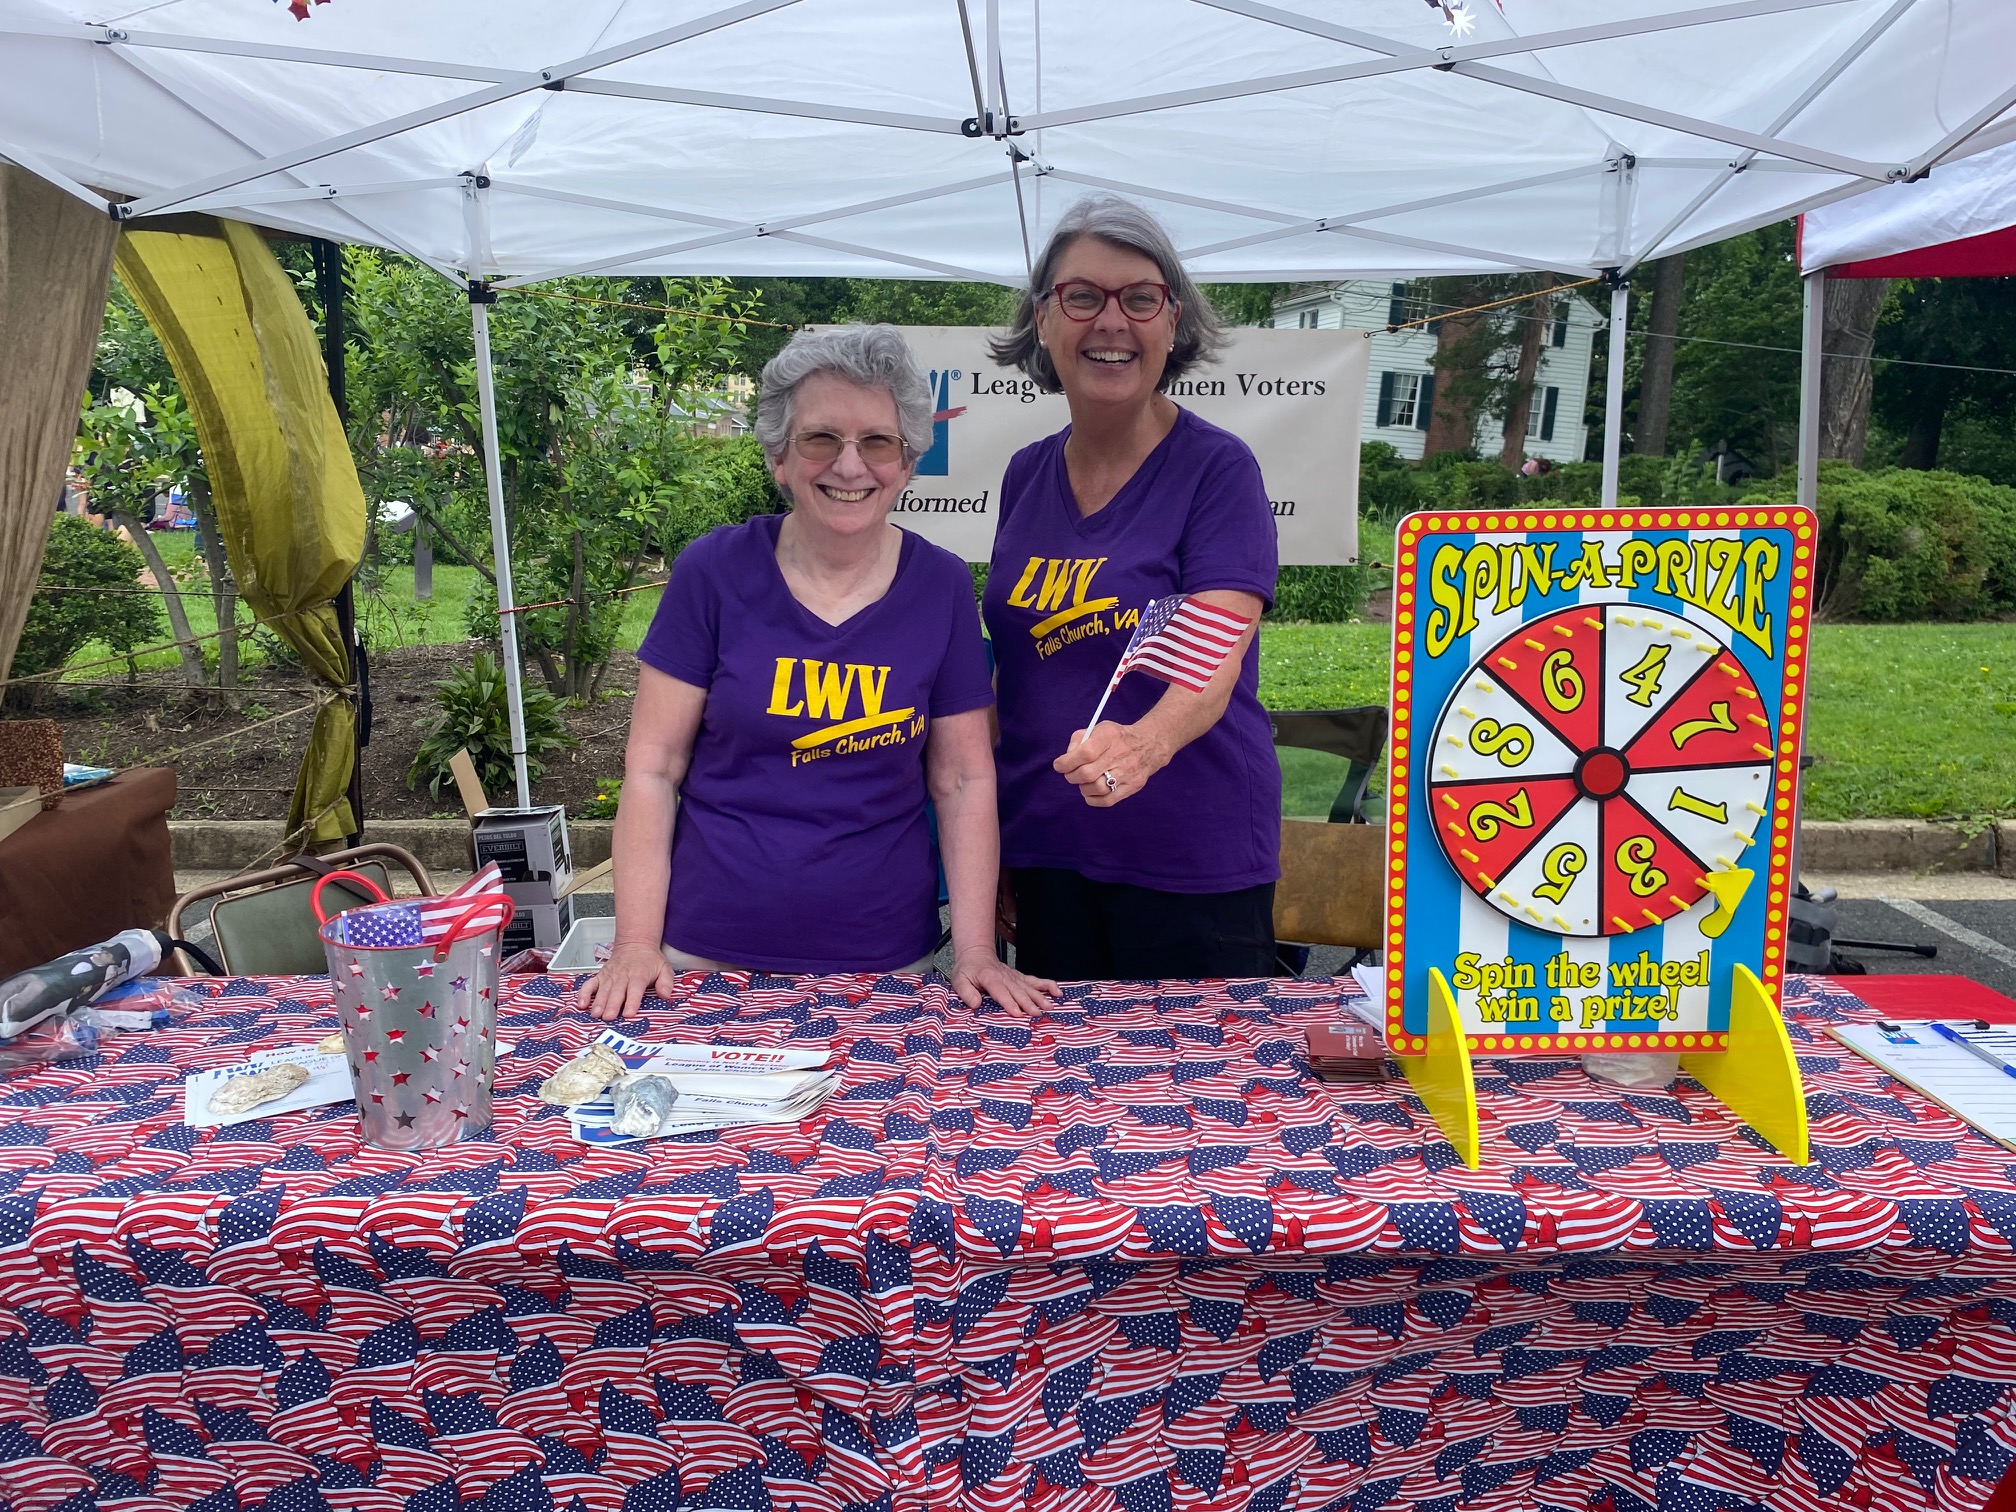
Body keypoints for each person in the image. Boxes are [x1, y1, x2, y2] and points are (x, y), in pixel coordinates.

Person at [578, 325, 1056, 1021]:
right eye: (821, 438)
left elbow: (961, 778)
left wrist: (978, 953)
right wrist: (633, 943)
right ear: (779, 456)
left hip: (887, 962)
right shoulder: (712, 572)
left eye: (878, 442)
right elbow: (653, 767)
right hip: (699, 962)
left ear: (907, 462)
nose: (850, 465)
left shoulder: (942, 586)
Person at [983, 196, 1281, 981]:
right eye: (1082, 296)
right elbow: (1014, 674)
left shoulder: (1218, 471)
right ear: (1043, 321)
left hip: (1190, 861)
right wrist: (998, 843)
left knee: (1199, 1099)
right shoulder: (1025, 475)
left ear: (1172, 320)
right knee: (1059, 1098)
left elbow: (1211, 662)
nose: (1111, 321)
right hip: (1049, 853)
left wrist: (1140, 748)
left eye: (1139, 298)